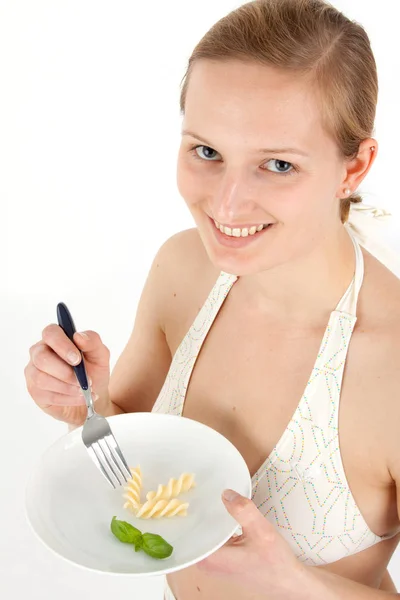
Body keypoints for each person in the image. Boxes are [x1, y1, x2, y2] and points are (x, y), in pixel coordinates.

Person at [24, 0, 400, 598]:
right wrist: (84, 411)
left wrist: (295, 582)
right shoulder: (184, 270)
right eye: (207, 152)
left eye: (277, 164)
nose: (225, 208)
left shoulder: (392, 367)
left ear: (354, 166)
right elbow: (136, 456)